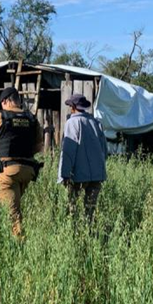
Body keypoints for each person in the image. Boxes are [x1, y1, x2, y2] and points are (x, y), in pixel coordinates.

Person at [0, 87, 43, 239]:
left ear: (6, 101)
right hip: (28, 171)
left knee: (12, 215)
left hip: (8, 172)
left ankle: (18, 247)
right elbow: (39, 147)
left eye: (2, 103)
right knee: (16, 207)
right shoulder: (31, 118)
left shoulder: (0, 117)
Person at [58, 94, 107, 224]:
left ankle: (74, 235)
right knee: (90, 211)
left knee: (72, 209)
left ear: (73, 107)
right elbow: (104, 150)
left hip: (78, 175)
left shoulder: (72, 122)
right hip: (97, 175)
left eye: (70, 106)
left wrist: (64, 174)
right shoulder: (96, 123)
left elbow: (68, 151)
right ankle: (89, 235)